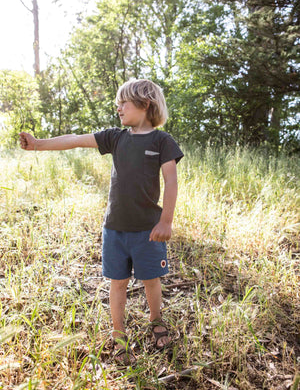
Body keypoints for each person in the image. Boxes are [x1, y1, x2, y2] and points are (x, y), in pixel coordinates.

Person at [19, 78, 184, 365]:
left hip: (148, 230)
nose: (118, 107)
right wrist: (37, 145)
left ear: (145, 105)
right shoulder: (115, 137)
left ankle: (156, 321)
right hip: (115, 230)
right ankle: (119, 336)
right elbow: (74, 140)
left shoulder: (162, 141)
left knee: (151, 280)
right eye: (117, 103)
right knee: (117, 283)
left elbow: (171, 181)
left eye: (124, 103)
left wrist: (166, 221)